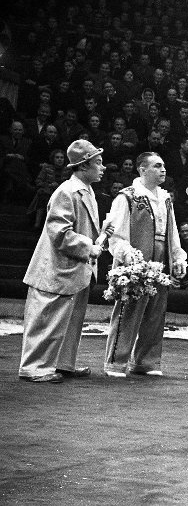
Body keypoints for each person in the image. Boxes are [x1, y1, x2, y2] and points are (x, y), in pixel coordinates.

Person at [18, 140, 109, 383]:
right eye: (98, 163)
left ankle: (62, 362)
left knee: (70, 320)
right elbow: (59, 233)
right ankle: (33, 367)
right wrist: (89, 247)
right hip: (58, 267)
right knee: (47, 319)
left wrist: (98, 239)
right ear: (83, 166)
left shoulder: (86, 191)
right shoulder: (66, 192)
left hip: (74, 268)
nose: (103, 168)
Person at [103, 152, 187, 377]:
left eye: (164, 166)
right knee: (129, 309)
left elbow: (173, 232)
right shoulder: (127, 196)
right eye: (157, 166)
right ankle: (116, 362)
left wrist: (177, 257)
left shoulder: (166, 198)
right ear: (142, 169)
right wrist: (128, 256)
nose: (163, 170)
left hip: (161, 256)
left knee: (156, 311)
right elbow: (116, 235)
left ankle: (145, 362)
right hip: (137, 258)